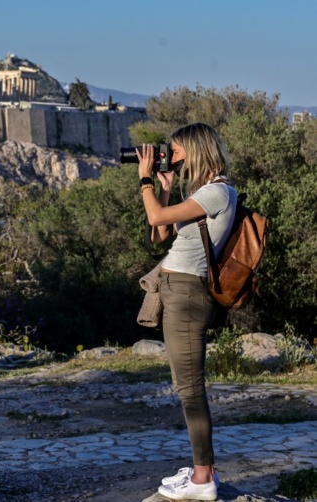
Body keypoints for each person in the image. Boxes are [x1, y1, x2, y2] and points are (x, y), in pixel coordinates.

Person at [137, 123, 236, 501]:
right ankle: (202, 469)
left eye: (176, 151)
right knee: (186, 386)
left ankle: (202, 479)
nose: (170, 156)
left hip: (188, 295)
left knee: (190, 389)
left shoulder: (217, 192)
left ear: (195, 151)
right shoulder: (199, 193)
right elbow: (159, 235)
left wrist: (145, 181)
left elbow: (155, 219)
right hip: (177, 290)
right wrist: (163, 186)